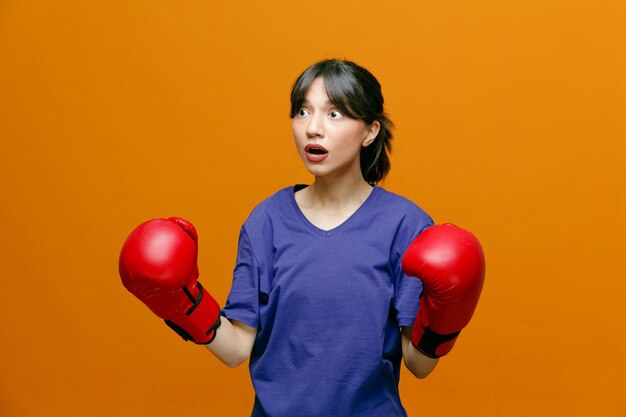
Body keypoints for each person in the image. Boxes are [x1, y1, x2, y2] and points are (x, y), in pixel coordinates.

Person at [119, 59, 485, 417]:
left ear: (370, 131)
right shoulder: (266, 221)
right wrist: (183, 303)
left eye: (335, 114)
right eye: (303, 112)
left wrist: (445, 320)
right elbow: (236, 349)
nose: (313, 128)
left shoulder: (405, 224)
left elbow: (418, 365)